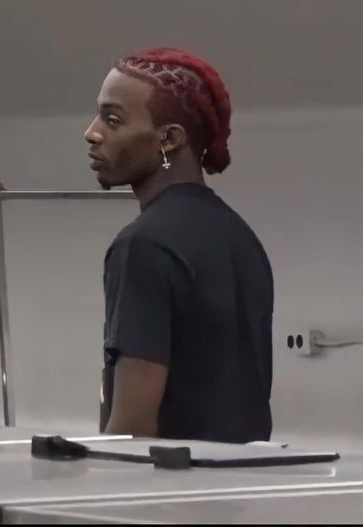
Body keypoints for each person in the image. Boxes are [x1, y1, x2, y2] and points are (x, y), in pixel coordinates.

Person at [84, 47, 274, 444]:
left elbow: (133, 432)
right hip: (242, 489)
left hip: (170, 498)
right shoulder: (240, 237)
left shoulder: (143, 246)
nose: (92, 132)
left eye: (112, 119)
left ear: (169, 139)